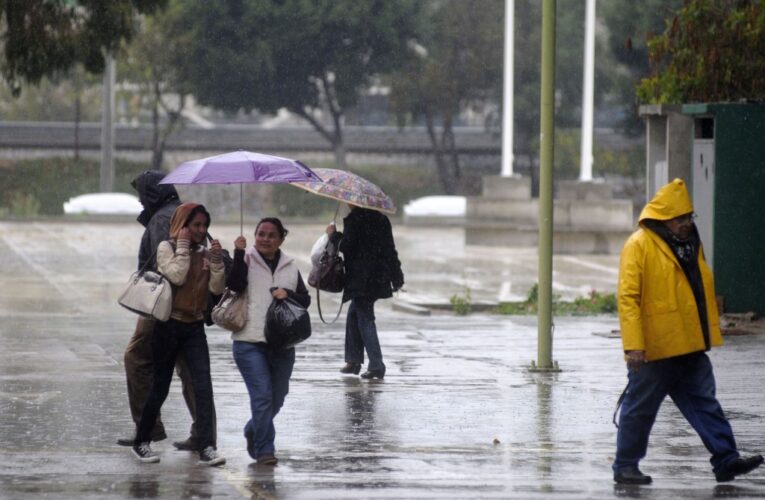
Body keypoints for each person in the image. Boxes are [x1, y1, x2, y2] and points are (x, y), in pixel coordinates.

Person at [613, 178, 762, 485]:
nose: (686, 223)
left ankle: (726, 459)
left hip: (689, 345)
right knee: (640, 410)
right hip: (655, 348)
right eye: (680, 218)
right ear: (664, 219)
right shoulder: (639, 245)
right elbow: (628, 298)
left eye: (689, 217)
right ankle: (626, 466)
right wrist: (634, 345)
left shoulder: (690, 245)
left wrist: (706, 334)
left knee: (705, 403)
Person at [119, 170, 216, 451]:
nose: (139, 201)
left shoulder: (163, 218)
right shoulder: (176, 212)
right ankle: (203, 434)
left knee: (137, 358)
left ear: (151, 194)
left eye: (141, 194)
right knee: (191, 373)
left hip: (166, 306)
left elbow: (172, 269)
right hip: (183, 307)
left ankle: (148, 428)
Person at [131, 203, 225, 466]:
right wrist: (183, 248)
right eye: (195, 225)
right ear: (182, 224)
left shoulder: (205, 253)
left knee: (203, 387)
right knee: (160, 387)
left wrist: (216, 262)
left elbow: (216, 289)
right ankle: (142, 441)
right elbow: (177, 276)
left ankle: (207, 446)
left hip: (194, 328)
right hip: (168, 326)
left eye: (204, 225)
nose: (200, 230)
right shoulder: (167, 248)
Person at [226, 217, 311, 465]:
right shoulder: (245, 259)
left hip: (282, 345)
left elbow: (304, 301)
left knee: (278, 395)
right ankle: (265, 449)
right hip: (248, 341)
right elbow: (233, 286)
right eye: (261, 234)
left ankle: (253, 429)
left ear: (281, 239)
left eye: (271, 235)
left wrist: (289, 294)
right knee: (262, 396)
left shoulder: (290, 267)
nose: (265, 239)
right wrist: (239, 252)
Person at [327, 205, 404, 379]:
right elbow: (390, 250)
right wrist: (397, 277)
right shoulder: (382, 220)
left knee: (364, 317)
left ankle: (376, 365)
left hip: (361, 278)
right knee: (355, 312)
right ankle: (353, 361)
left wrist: (333, 235)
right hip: (378, 277)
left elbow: (347, 246)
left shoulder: (355, 220)